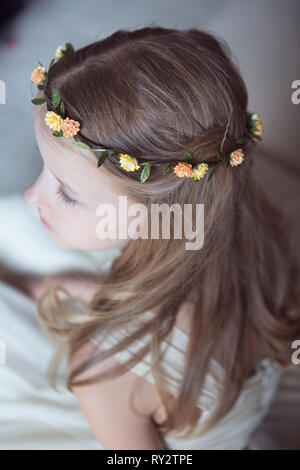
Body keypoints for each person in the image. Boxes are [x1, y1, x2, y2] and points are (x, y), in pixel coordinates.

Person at [21, 26, 300, 450]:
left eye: (65, 193)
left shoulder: (106, 370)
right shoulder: (258, 233)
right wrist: (64, 288)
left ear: (156, 216)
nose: (31, 196)